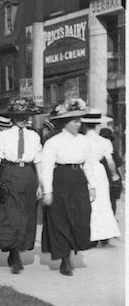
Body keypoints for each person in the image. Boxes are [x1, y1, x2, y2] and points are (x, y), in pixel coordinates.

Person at [40, 99, 95, 276]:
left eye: (80, 120)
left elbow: (89, 164)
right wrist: (47, 191)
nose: (78, 124)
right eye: (74, 120)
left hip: (78, 180)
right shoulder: (53, 142)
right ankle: (65, 258)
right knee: (61, 218)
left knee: (80, 216)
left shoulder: (85, 141)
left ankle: (73, 248)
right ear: (65, 122)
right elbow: (46, 167)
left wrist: (92, 186)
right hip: (61, 180)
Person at [0, 97, 44, 274]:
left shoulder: (34, 136)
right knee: (11, 214)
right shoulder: (2, 136)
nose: (23, 119)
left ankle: (18, 248)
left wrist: (40, 184)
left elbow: (38, 161)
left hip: (29, 175)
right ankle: (13, 252)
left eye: (26, 115)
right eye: (19, 115)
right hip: (10, 174)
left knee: (27, 214)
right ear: (12, 117)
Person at [80, 110, 120, 246]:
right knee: (102, 201)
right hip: (99, 171)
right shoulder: (104, 142)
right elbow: (110, 162)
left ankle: (89, 234)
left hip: (84, 170)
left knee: (88, 201)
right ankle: (104, 234)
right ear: (97, 125)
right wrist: (114, 175)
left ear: (84, 125)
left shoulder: (81, 140)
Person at [99, 127, 123, 215]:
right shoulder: (112, 149)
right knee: (112, 202)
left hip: (102, 178)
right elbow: (119, 163)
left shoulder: (97, 148)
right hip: (113, 180)